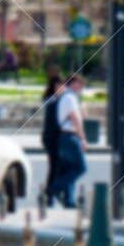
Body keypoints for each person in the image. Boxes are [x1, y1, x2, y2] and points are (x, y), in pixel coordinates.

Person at [51, 74, 88, 209]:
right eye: (80, 84)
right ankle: (55, 188)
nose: (81, 87)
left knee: (69, 169)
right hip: (71, 136)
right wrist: (83, 139)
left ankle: (70, 201)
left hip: (65, 137)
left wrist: (82, 108)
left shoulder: (67, 98)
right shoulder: (70, 98)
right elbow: (75, 120)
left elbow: (81, 117)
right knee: (81, 168)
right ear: (72, 84)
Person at [39, 74, 62, 206]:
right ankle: (50, 193)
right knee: (54, 167)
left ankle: (51, 193)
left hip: (49, 136)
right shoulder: (53, 101)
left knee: (54, 166)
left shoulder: (50, 99)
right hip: (52, 137)